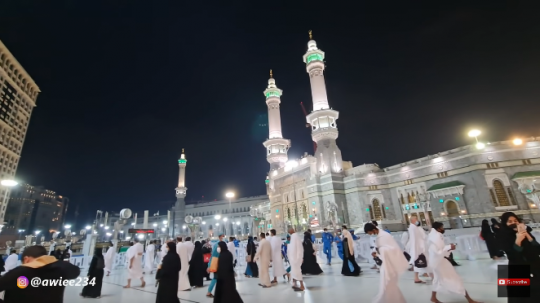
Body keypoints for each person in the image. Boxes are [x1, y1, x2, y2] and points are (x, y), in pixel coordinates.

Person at [0, 245, 80, 303]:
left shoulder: (20, 272)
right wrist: (51, 261)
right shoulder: (59, 270)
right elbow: (75, 271)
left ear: (26, 259)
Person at [428, 222, 481, 303]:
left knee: (437, 279)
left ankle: (433, 298)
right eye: (442, 227)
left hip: (437, 262)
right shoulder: (435, 237)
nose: (443, 229)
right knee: (455, 279)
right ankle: (470, 300)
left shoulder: (435, 236)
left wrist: (449, 248)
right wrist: (449, 247)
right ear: (438, 228)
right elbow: (437, 251)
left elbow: (441, 250)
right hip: (439, 262)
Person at [498, 212, 540, 303]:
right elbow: (513, 256)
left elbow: (538, 250)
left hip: (535, 267)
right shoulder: (503, 236)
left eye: (515, 220)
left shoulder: (526, 234)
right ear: (505, 223)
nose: (513, 223)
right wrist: (518, 241)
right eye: (509, 221)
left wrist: (527, 235)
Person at [364, 223, 408, 303]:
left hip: (392, 264)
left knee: (389, 284)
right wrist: (375, 251)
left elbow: (393, 249)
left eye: (370, 233)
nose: (370, 235)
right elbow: (379, 247)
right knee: (386, 285)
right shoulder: (378, 237)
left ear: (373, 230)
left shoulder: (385, 236)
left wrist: (379, 251)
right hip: (386, 264)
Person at [408, 215, 432, 283]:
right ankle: (430, 276)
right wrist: (419, 249)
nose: (417, 221)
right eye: (416, 219)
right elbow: (417, 239)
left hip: (420, 248)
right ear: (412, 220)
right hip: (419, 248)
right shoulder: (413, 228)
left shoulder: (415, 227)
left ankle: (420, 276)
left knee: (421, 263)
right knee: (423, 262)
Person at [206, 233, 225, 298]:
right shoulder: (218, 245)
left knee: (217, 278)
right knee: (216, 278)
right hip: (217, 264)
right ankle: (209, 292)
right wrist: (209, 265)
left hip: (218, 264)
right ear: (220, 237)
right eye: (222, 236)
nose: (223, 237)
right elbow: (213, 256)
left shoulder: (220, 244)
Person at [287, 227, 305, 291]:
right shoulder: (295, 236)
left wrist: (298, 258)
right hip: (295, 258)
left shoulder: (294, 236)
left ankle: (302, 286)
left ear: (291, 231)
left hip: (295, 258)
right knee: (294, 272)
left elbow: (294, 248)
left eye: (289, 232)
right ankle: (294, 284)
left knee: (297, 272)